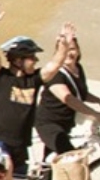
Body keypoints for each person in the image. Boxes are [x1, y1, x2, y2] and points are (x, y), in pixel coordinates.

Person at [0, 2, 63, 176]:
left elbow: (55, 65)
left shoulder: (34, 79)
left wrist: (64, 44)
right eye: (31, 57)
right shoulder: (0, 76)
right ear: (18, 60)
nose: (36, 61)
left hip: (20, 143)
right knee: (7, 168)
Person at [35, 24, 100, 157]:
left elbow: (81, 93)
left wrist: (99, 101)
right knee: (69, 155)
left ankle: (45, 169)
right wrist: (95, 114)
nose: (69, 54)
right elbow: (68, 98)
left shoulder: (78, 68)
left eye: (73, 49)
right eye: (66, 50)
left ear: (78, 51)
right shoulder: (55, 74)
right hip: (50, 124)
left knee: (52, 160)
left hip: (67, 122)